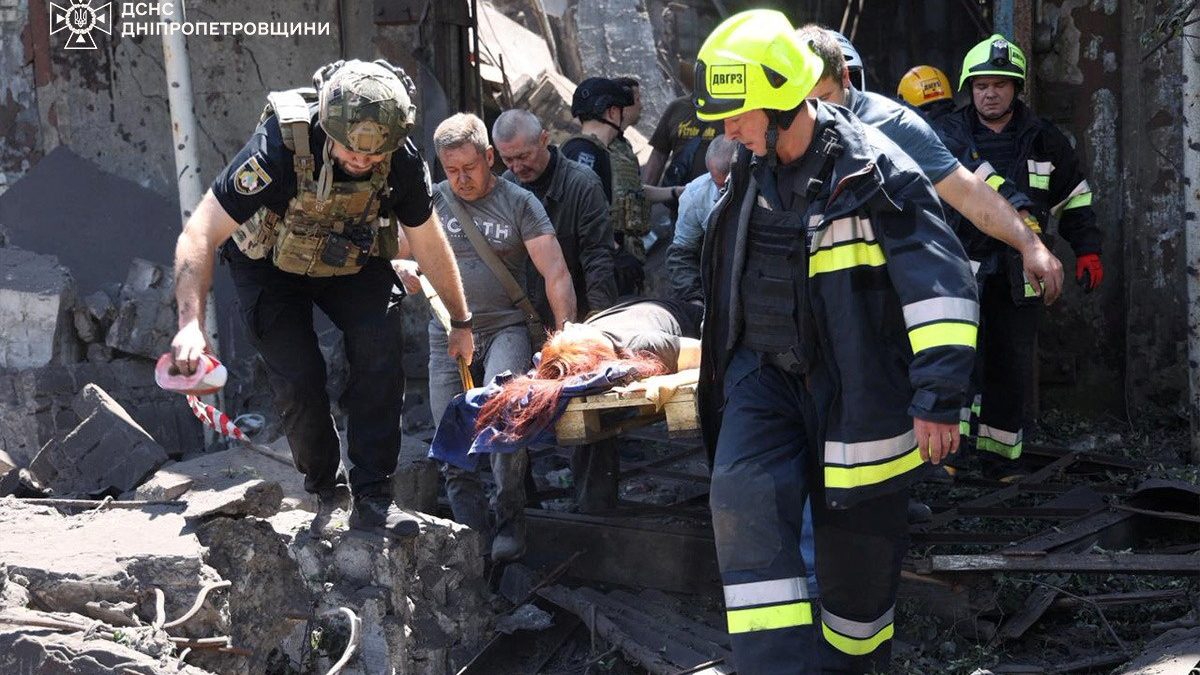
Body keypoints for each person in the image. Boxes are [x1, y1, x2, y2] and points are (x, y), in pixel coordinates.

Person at [693, 10, 978, 672]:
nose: (726, 128)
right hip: (764, 381)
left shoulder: (874, 170)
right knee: (742, 503)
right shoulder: (749, 166)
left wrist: (938, 394)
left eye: (739, 112)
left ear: (784, 100)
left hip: (856, 395)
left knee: (857, 582)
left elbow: (941, 282)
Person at [169, 59, 473, 537]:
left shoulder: (402, 159)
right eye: (351, 151)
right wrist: (190, 323)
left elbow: (431, 243)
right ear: (329, 129)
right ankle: (326, 488)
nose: (363, 161)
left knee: (379, 349)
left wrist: (461, 321)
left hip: (348, 255)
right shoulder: (276, 150)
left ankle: (374, 496)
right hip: (268, 264)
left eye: (374, 157)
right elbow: (200, 233)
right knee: (299, 375)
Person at [396, 112, 576, 563]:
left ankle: (510, 517)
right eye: (451, 170)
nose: (461, 179)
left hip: (504, 330)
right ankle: (471, 538)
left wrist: (566, 337)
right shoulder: (430, 203)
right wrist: (399, 267)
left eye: (470, 168)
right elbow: (394, 251)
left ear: (489, 158)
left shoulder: (518, 204)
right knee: (450, 436)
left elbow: (555, 272)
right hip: (447, 336)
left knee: (505, 421)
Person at [794, 25, 1065, 306]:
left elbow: (968, 192)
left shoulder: (894, 126)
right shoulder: (770, 133)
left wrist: (1030, 245)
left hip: (880, 298)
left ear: (846, 77)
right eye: (802, 102)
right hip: (809, 304)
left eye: (824, 99)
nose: (815, 113)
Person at [933, 35, 1104, 469]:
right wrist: (1022, 208)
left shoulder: (1045, 140)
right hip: (962, 267)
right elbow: (972, 179)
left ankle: (999, 464)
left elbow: (1074, 198)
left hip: (1020, 272)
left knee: (1010, 366)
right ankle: (951, 459)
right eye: (981, 85)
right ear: (969, 89)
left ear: (1017, 88)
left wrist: (1087, 249)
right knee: (958, 363)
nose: (990, 93)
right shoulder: (949, 135)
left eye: (1001, 84)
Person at [475, 298, 703, 512]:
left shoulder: (642, 345)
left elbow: (704, 353)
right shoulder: (567, 348)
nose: (569, 326)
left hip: (687, 321)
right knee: (581, 414)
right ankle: (595, 509)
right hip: (614, 327)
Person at [492, 109, 617, 323]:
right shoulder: (507, 185)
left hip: (576, 314)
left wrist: (599, 318)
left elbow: (597, 257)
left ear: (544, 139)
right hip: (522, 319)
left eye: (523, 156)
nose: (517, 167)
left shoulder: (583, 185)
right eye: (507, 159)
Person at [562, 77, 685, 292]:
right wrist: (618, 253)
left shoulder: (592, 151)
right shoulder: (586, 154)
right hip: (597, 269)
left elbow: (631, 193)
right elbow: (581, 219)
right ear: (612, 113)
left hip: (609, 261)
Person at [666, 134, 737, 304]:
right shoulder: (695, 196)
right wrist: (694, 298)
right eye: (716, 183)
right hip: (713, 285)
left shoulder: (764, 191)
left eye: (727, 185)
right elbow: (681, 256)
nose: (721, 191)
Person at [644, 94, 725, 188]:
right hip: (674, 196)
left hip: (716, 197)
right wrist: (642, 196)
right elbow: (658, 155)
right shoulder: (677, 107)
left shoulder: (731, 109)